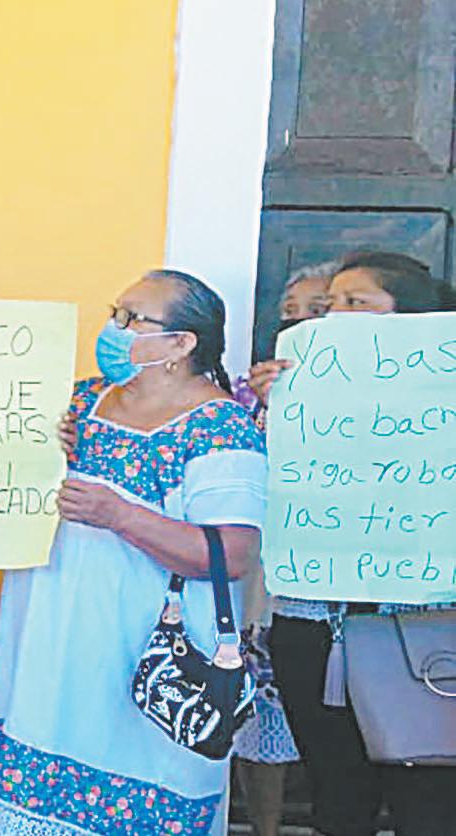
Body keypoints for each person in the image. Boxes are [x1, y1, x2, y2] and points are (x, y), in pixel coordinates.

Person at [0, 269, 266, 835]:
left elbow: (232, 555)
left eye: (132, 319)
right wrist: (39, 443)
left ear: (180, 344)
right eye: (115, 313)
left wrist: (120, 515)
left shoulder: (220, 428)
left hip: (151, 660)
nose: (113, 329)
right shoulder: (82, 399)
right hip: (48, 644)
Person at [248, 251, 456, 836]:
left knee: (429, 800)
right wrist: (274, 410)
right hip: (314, 625)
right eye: (328, 306)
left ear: (410, 317)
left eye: (355, 302)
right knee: (337, 797)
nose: (335, 316)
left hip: (424, 629)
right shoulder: (293, 393)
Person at [224, 260, 334, 836]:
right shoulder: (249, 392)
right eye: (289, 313)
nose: (299, 324)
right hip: (267, 577)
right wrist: (269, 406)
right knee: (261, 706)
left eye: (317, 311)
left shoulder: (392, 396)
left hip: (349, 572)